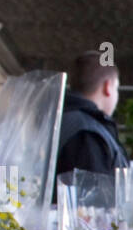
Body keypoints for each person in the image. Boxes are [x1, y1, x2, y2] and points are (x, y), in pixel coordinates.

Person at [55, 52, 129, 195]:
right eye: (116, 88)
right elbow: (91, 206)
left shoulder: (59, 119)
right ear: (108, 87)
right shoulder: (89, 133)